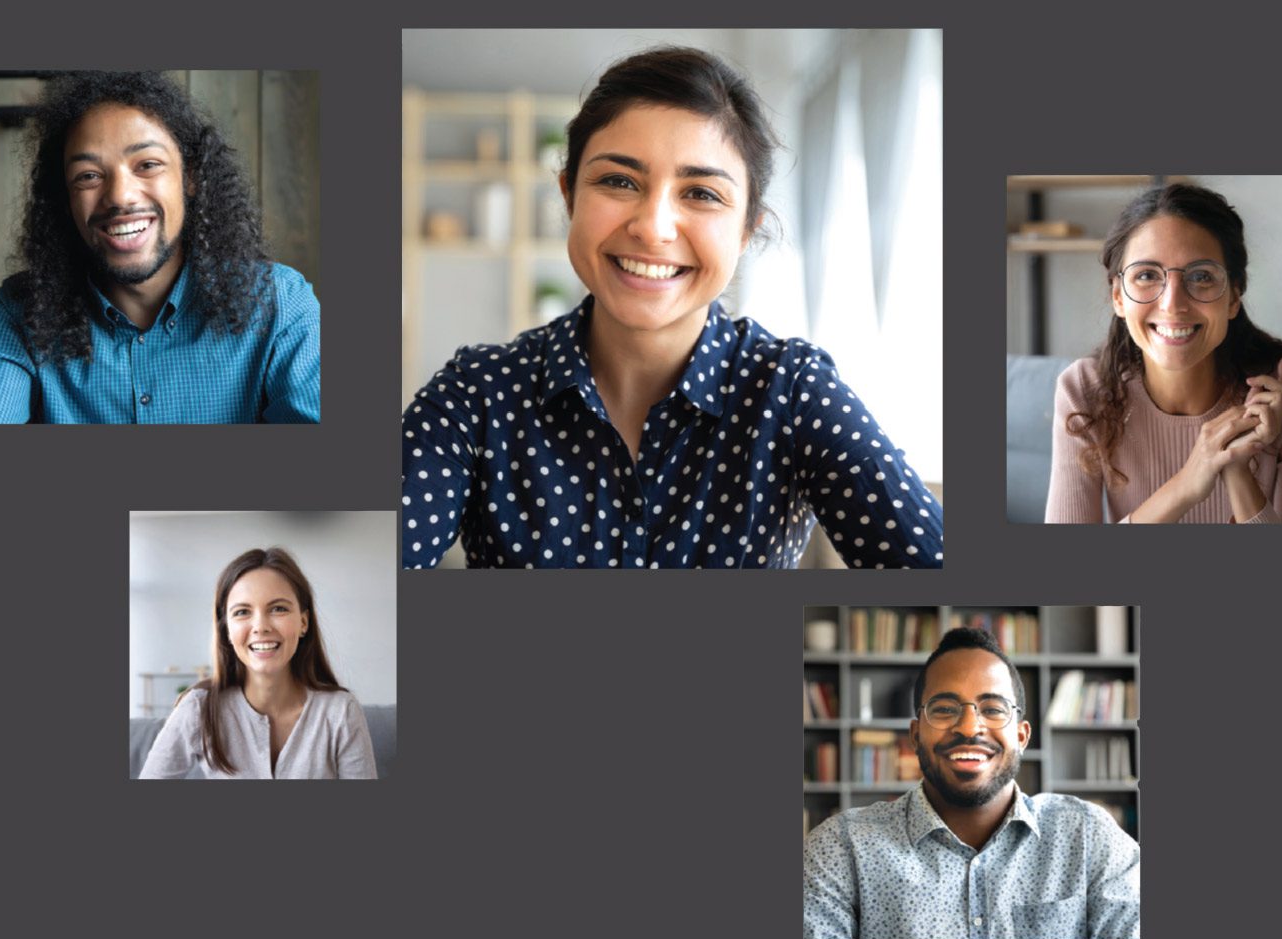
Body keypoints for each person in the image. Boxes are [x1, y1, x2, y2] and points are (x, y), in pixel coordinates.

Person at [400, 47, 942, 568]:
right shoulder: (476, 393)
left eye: (701, 193)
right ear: (569, 196)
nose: (652, 228)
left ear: (748, 228)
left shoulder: (792, 392)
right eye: (618, 181)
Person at [0, 71, 320, 423]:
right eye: (88, 175)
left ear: (191, 177)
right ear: (65, 198)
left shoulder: (281, 309)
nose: (119, 196)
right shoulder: (17, 316)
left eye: (148, 165)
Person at [803, 628, 1140, 939]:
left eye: (993, 708)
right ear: (915, 735)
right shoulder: (841, 849)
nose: (968, 727)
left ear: (1021, 736)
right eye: (945, 709)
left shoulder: (1089, 838)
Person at [1045, 183, 1282, 522]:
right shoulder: (1084, 389)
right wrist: (1187, 484)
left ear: (1233, 297)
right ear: (1118, 296)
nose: (1172, 304)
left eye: (1201, 276)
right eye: (1146, 275)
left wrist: (1236, 470)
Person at [139, 548, 376, 779]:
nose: (261, 626)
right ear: (226, 629)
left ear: (303, 622)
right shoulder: (198, 710)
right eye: (242, 612)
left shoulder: (341, 712)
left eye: (278, 609)